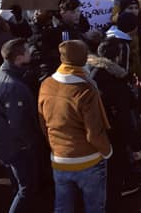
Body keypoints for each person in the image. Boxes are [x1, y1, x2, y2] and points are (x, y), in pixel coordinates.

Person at [38, 40, 112, 213]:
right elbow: (94, 132)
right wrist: (107, 151)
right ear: (83, 59)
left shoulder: (46, 84)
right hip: (88, 159)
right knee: (94, 207)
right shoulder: (85, 89)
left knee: (62, 207)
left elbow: (43, 123)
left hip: (59, 158)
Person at [0, 38, 44, 213]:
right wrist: (32, 143)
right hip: (17, 147)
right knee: (26, 189)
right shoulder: (14, 87)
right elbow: (19, 123)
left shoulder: (3, 75)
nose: (31, 53)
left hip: (5, 143)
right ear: (19, 57)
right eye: (27, 51)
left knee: (18, 185)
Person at [89, 38, 141, 208]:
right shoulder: (116, 81)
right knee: (113, 175)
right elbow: (125, 118)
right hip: (114, 134)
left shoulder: (91, 73)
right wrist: (136, 146)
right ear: (118, 57)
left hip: (96, 132)